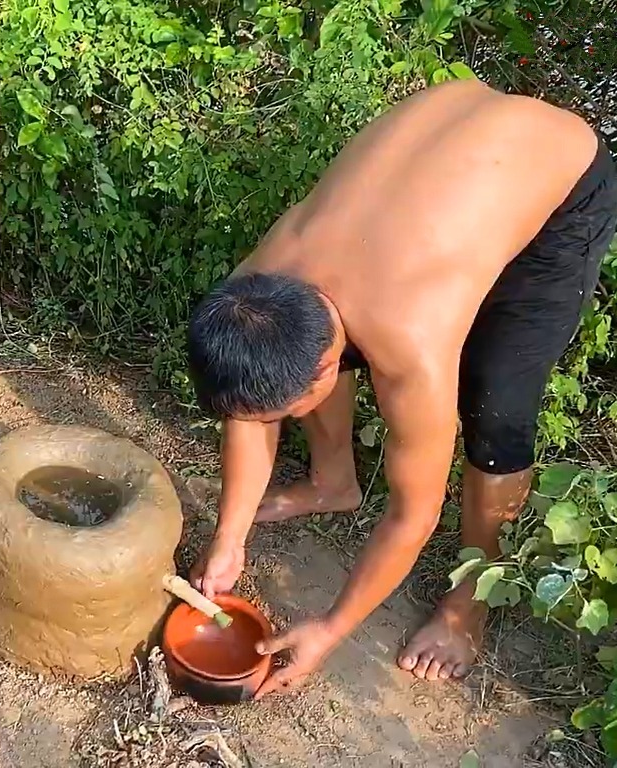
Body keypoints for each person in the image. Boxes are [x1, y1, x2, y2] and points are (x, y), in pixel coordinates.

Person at [186, 79, 617, 699]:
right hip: (455, 142)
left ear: (325, 370)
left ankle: (471, 601)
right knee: (268, 375)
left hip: (564, 181)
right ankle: (331, 484)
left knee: (497, 407)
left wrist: (332, 628)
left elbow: (413, 515)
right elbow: (251, 409)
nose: (262, 425)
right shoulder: (254, 293)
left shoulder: (410, 346)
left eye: (281, 415)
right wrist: (230, 540)